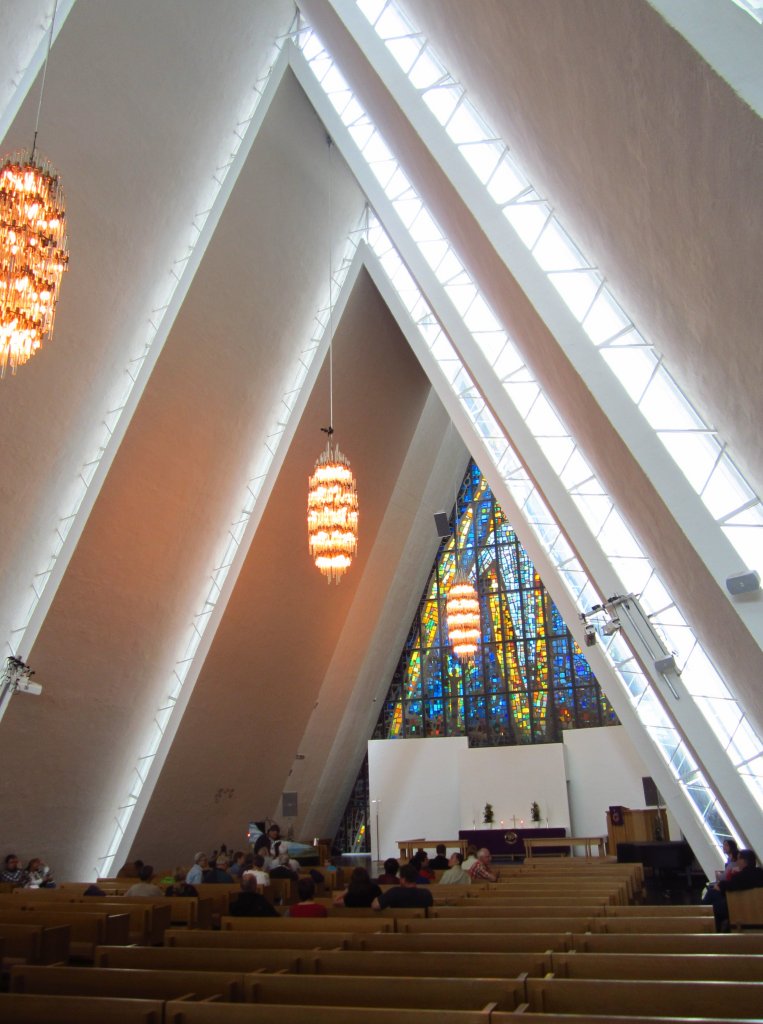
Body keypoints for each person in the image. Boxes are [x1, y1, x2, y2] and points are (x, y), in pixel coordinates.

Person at [705, 848, 763, 931]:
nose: (737, 861)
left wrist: (722, 884)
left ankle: (711, 929)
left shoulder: (740, 876)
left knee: (713, 904)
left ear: (744, 861)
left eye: (739, 859)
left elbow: (729, 887)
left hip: (739, 906)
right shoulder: (760, 873)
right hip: (756, 907)